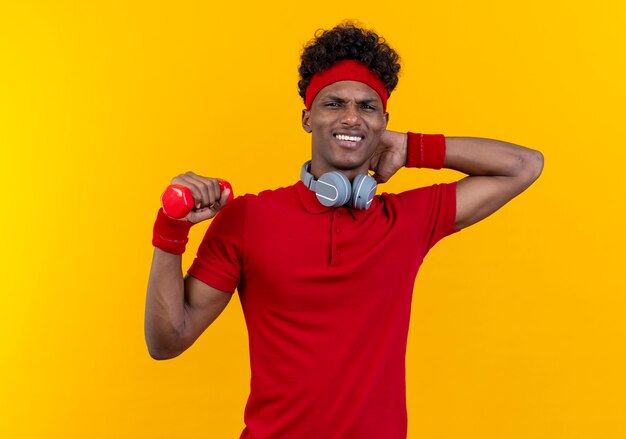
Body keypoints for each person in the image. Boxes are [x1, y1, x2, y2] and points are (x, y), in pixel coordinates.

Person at [145, 22, 543, 439]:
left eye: (367, 107)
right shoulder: (249, 217)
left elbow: (524, 165)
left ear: (384, 121)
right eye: (334, 103)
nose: (352, 117)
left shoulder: (408, 220)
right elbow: (167, 340)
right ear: (307, 117)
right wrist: (170, 231)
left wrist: (411, 146)